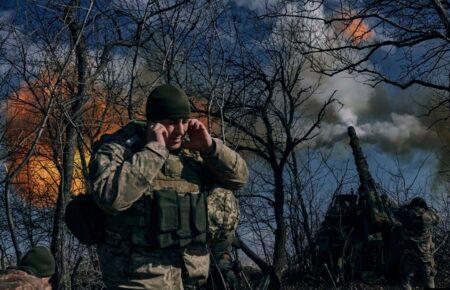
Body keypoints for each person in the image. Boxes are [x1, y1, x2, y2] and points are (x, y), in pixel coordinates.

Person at [89, 84, 248, 289]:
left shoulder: (192, 151)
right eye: (172, 122)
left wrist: (210, 148)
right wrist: (154, 151)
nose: (180, 130)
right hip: (138, 281)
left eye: (184, 121)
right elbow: (110, 198)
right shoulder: (120, 149)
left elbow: (239, 179)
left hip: (191, 280)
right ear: (153, 122)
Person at [396, 197, 440, 290]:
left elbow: (395, 213)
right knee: (429, 283)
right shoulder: (429, 215)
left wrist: (405, 207)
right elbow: (438, 220)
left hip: (409, 254)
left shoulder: (406, 213)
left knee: (406, 282)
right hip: (425, 256)